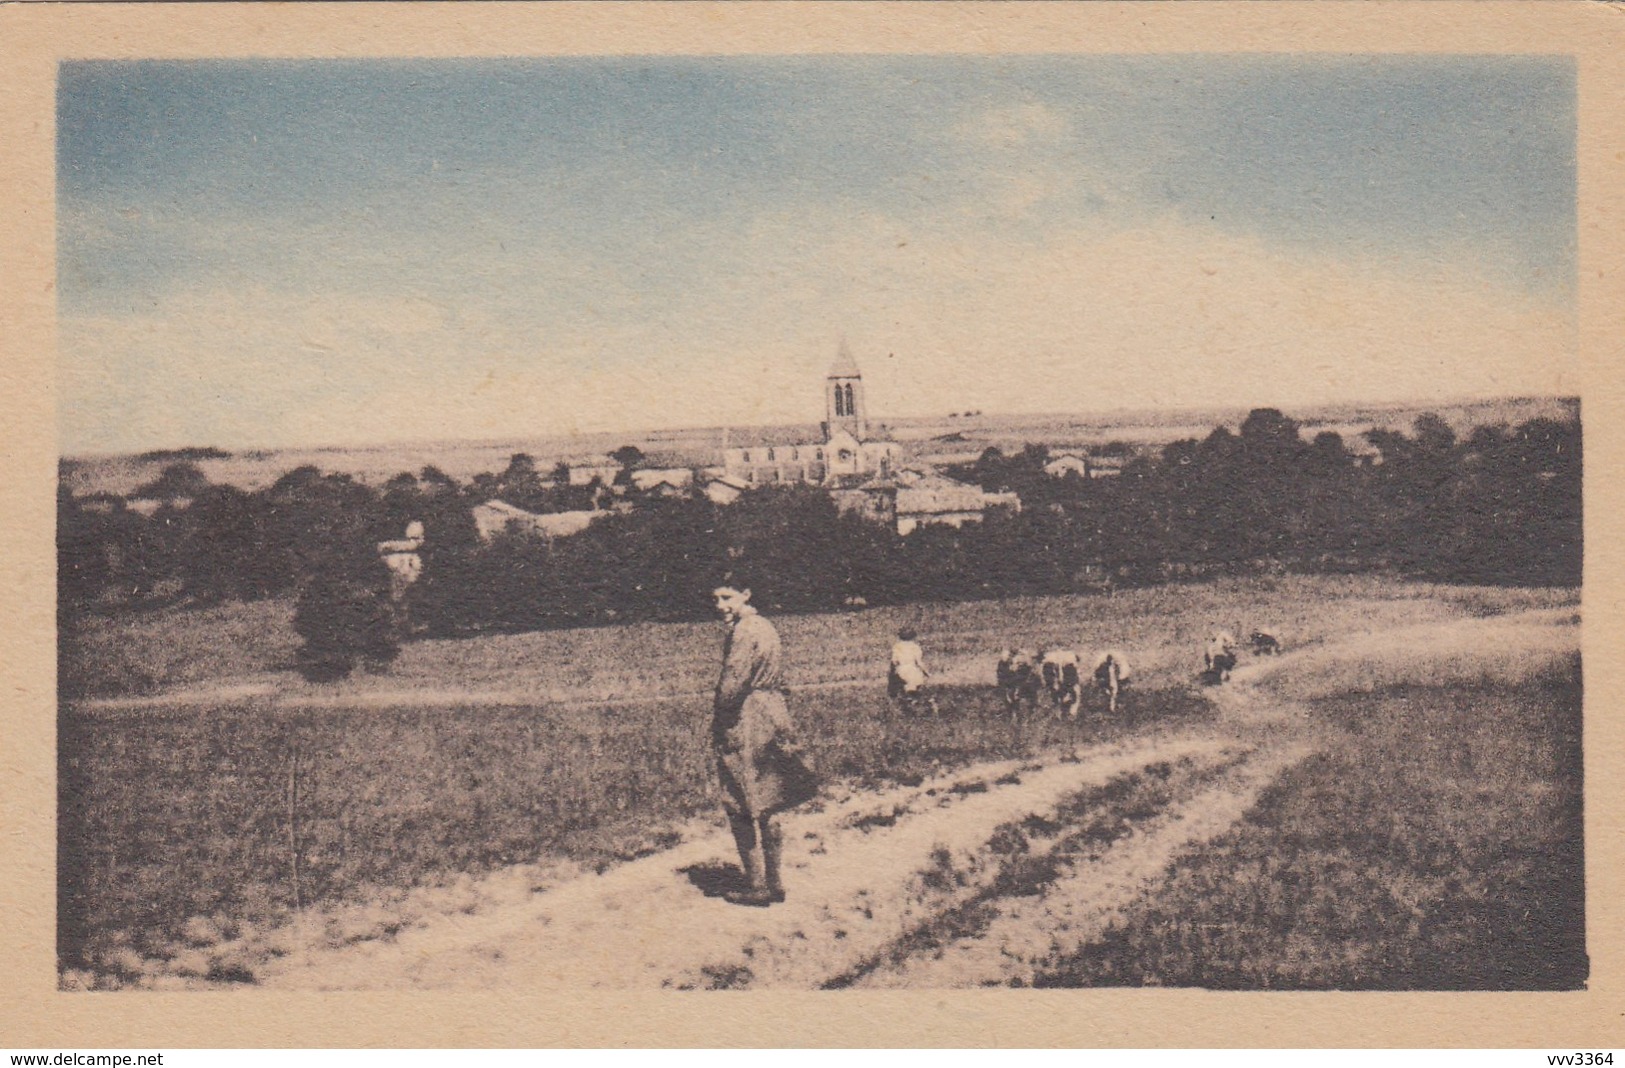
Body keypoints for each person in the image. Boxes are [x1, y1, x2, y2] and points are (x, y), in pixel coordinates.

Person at [709, 581, 818, 908]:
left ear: (747, 593)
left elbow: (731, 685)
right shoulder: (767, 627)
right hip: (772, 713)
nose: (720, 605)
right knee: (769, 799)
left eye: (727, 597)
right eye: (715, 598)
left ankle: (756, 885)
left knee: (739, 800)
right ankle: (775, 882)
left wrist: (720, 719)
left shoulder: (743, 631)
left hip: (747, 717)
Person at [888, 627, 935, 714]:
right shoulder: (915, 647)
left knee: (905, 688)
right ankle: (921, 703)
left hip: (901, 670)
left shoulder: (897, 646)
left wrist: (893, 672)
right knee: (916, 687)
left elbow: (894, 661)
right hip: (913, 670)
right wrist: (927, 673)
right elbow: (919, 663)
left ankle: (909, 703)